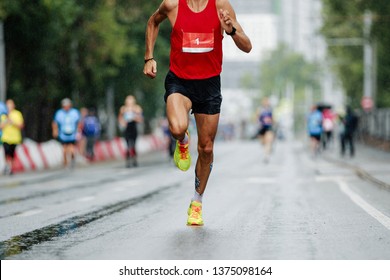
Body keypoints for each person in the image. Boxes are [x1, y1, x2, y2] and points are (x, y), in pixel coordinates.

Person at [143, 0, 252, 226]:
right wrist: (149, 57)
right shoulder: (172, 5)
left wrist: (230, 30)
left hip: (209, 85)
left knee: (207, 147)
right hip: (180, 82)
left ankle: (197, 202)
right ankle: (182, 141)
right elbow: (153, 22)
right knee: (177, 127)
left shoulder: (220, 6)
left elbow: (247, 46)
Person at [52, 98, 81, 168]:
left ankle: (72, 159)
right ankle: (65, 161)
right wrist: (55, 131)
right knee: (64, 149)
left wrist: (79, 130)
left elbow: (79, 122)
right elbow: (55, 123)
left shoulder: (74, 112)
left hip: (72, 134)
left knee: (72, 149)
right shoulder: (59, 113)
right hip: (63, 134)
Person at [118, 95, 143, 168]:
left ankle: (134, 159)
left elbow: (140, 119)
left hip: (133, 128)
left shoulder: (137, 108)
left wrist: (134, 117)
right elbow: (120, 118)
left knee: (133, 145)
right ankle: (128, 160)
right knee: (128, 145)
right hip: (127, 129)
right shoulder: (123, 109)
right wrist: (122, 123)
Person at [0, 99, 24, 175]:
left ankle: (11, 167)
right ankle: (8, 166)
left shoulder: (17, 114)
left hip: (15, 138)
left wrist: (13, 122)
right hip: (5, 138)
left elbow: (21, 125)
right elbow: (1, 126)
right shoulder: (3, 115)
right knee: (6, 152)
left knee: (12, 153)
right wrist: (6, 121)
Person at [257, 98, 274, 163]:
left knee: (268, 141)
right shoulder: (260, 110)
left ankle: (266, 156)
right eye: (265, 102)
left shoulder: (270, 110)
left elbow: (272, 118)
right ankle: (266, 150)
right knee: (263, 142)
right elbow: (257, 118)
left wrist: (272, 122)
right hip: (262, 127)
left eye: (267, 102)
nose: (266, 103)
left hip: (269, 127)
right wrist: (259, 122)